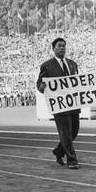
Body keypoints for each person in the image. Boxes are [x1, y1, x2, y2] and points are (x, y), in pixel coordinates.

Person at [37, 37, 80, 170]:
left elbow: (79, 82)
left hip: (73, 104)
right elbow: (39, 83)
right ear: (53, 48)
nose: (62, 48)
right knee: (65, 133)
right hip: (59, 106)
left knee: (74, 131)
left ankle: (58, 151)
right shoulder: (47, 65)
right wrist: (42, 86)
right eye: (59, 46)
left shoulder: (73, 64)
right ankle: (72, 160)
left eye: (63, 46)